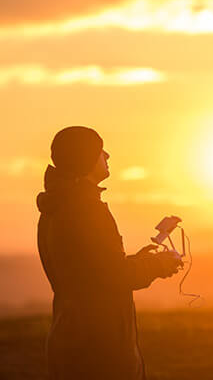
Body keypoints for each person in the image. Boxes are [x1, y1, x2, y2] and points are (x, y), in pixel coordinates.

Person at [36, 126, 183, 380]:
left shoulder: (55, 207)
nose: (107, 155)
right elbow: (114, 276)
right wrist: (158, 264)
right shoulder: (87, 210)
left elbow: (94, 271)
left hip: (68, 338)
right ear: (85, 158)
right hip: (100, 348)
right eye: (99, 150)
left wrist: (142, 260)